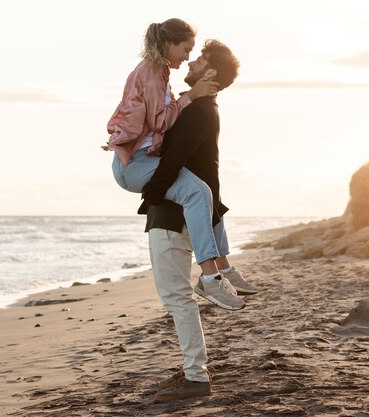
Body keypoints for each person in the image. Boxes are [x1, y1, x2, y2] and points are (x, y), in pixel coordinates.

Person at [142, 39, 259, 402]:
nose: (190, 62)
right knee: (179, 298)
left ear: (210, 73)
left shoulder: (198, 111)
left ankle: (195, 376)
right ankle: (194, 371)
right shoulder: (201, 108)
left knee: (177, 297)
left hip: (173, 215)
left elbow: (173, 161)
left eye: (199, 59)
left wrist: (150, 195)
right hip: (181, 213)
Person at [104, 19, 249, 305]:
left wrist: (189, 97)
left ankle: (222, 271)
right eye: (186, 49)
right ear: (169, 44)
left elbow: (163, 115)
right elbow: (160, 121)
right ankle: (212, 277)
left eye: (193, 53)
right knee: (198, 192)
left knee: (203, 190)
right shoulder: (151, 72)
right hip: (134, 165)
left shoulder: (159, 74)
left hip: (139, 162)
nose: (186, 58)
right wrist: (192, 95)